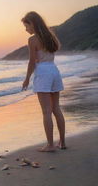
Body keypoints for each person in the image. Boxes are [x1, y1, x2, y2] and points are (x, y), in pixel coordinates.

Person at [21, 11, 67, 152]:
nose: (26, 29)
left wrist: (27, 78)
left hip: (43, 73)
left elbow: (31, 62)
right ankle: (62, 142)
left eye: (26, 25)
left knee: (46, 112)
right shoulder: (50, 36)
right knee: (56, 109)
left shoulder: (33, 40)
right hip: (54, 71)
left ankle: (50, 145)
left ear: (32, 24)